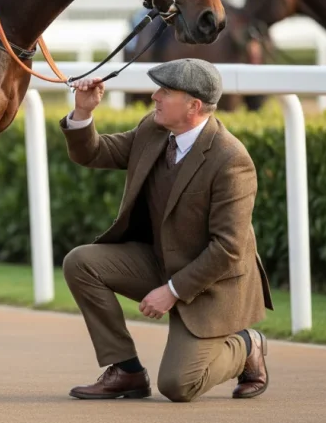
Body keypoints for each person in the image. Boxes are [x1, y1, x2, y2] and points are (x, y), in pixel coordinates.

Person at [59, 58, 274, 403]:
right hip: (160, 262)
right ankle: (126, 371)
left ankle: (248, 345)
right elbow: (95, 152)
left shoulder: (231, 159)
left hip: (212, 286)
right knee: (80, 263)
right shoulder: (153, 129)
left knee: (178, 385)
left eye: (165, 91)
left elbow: (228, 249)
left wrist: (172, 291)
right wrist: (83, 113)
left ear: (194, 106)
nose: (154, 96)